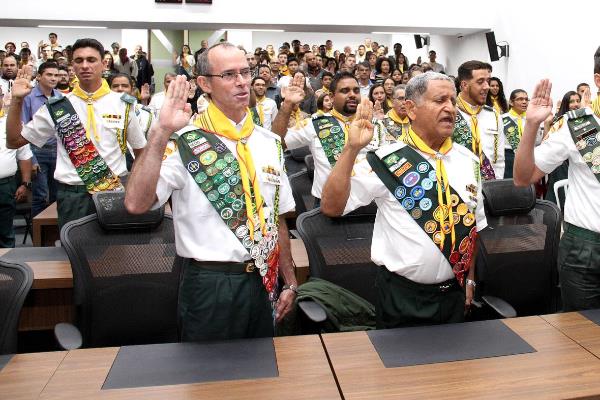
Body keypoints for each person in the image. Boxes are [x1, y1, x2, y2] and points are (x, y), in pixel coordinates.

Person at [124, 42, 297, 341]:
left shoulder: (270, 142)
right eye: (229, 74)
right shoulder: (184, 142)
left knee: (264, 374)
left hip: (262, 278)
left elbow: (277, 218)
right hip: (210, 281)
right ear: (204, 83)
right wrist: (160, 131)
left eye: (245, 72)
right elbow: (137, 204)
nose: (242, 82)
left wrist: (290, 281)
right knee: (207, 380)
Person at [320, 72, 485, 328]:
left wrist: (470, 280)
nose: (450, 108)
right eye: (440, 100)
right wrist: (351, 149)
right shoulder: (387, 160)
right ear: (411, 109)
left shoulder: (469, 161)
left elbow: (472, 231)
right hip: (401, 296)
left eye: (453, 100)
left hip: (454, 293)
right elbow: (331, 206)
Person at [6, 38, 146, 229]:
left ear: (104, 63)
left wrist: (131, 186)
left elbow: (141, 153)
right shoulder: (58, 107)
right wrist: (17, 100)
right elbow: (14, 141)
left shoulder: (124, 104)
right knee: (73, 256)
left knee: (114, 256)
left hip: (113, 192)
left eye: (91, 59)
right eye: (79, 61)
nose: (85, 66)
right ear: (72, 65)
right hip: (72, 196)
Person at [514, 47, 600, 312]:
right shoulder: (581, 126)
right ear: (598, 79)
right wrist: (531, 126)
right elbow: (523, 177)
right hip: (586, 252)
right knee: (582, 338)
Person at [272, 71, 375, 202]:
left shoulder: (372, 125)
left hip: (368, 204)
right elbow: (276, 142)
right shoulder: (315, 124)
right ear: (331, 97)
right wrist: (287, 105)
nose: (352, 95)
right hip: (328, 205)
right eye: (345, 91)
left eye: (356, 91)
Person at [21, 61, 61, 217]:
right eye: (49, 74)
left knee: (58, 195)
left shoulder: (60, 97)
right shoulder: (28, 97)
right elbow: (24, 131)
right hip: (37, 151)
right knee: (40, 195)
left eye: (56, 75)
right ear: (38, 77)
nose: (53, 78)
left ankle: (56, 233)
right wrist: (33, 160)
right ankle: (39, 237)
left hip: (58, 151)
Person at [453, 60, 505, 180]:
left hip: (489, 187)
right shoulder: (449, 113)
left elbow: (499, 159)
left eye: (488, 81)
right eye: (480, 82)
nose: (487, 87)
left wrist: (496, 186)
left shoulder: (494, 116)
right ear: (464, 85)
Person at [0, 91, 33, 247]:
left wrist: (25, 183)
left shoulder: (12, 123)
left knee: (5, 232)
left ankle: (8, 269)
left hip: (5, 185)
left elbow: (24, 155)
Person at [501, 89, 529, 179]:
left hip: (527, 157)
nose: (524, 102)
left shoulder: (531, 120)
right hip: (509, 157)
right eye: (520, 99)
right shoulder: (502, 119)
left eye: (526, 99)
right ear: (511, 102)